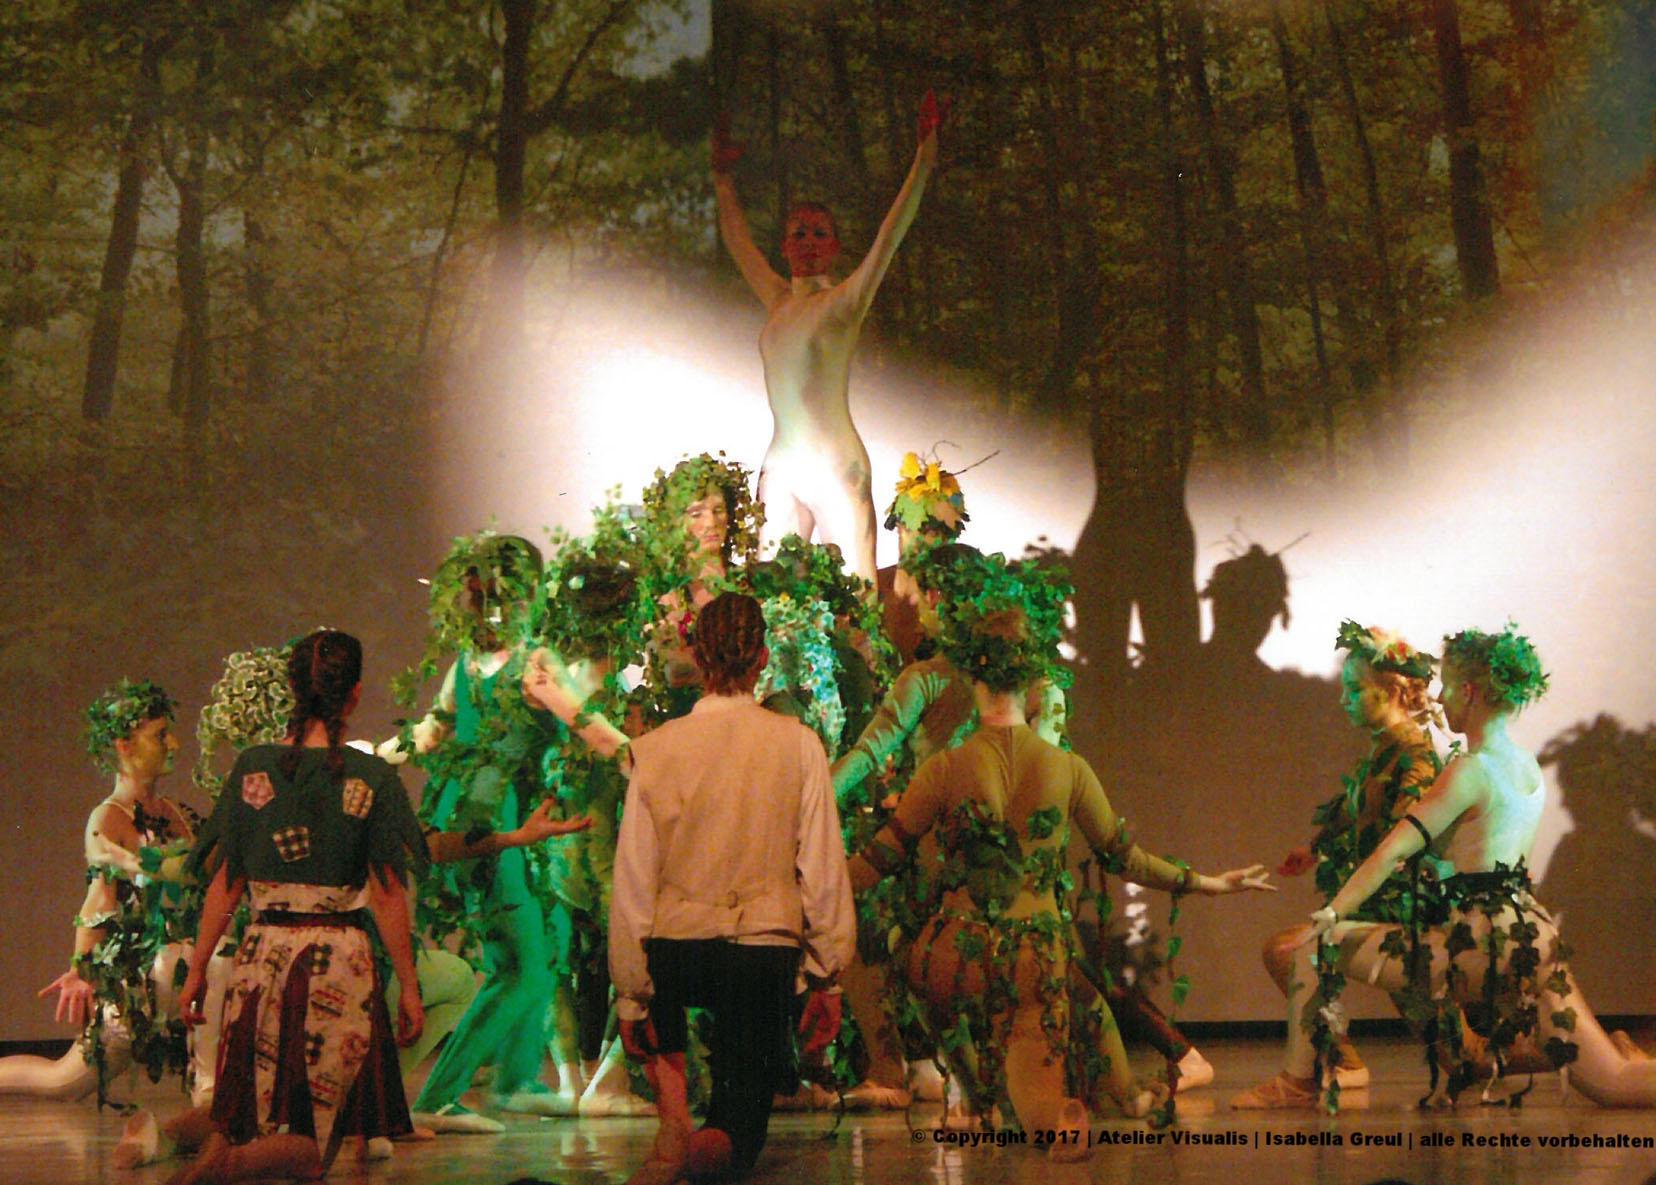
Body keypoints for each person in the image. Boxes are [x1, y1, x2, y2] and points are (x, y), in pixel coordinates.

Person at [848, 568, 1273, 1154]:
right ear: (1029, 678)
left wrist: (800, 885)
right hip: (1033, 958)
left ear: (970, 671)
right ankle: (1043, 1111)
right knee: (1045, 1090)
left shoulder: (944, 768)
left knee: (906, 958)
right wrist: (1209, 884)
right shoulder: (1067, 769)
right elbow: (1128, 860)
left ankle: (973, 1091)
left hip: (950, 956)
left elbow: (875, 862)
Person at [1233, 623, 1656, 1110]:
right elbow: (1485, 861)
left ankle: (1298, 1079)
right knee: (1616, 1080)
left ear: (1470, 691)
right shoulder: (1525, 766)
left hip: (1480, 943)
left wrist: (1331, 914)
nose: (1440, 696)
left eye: (1449, 685)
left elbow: (1394, 850)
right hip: (1533, 941)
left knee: (1313, 947)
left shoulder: (1469, 770)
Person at [156, 630, 428, 1183]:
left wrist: (198, 972)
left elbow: (226, 884)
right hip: (337, 965)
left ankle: (207, 1148)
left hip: (261, 960)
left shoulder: (254, 767)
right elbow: (386, 893)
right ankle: (231, 1164)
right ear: (353, 695)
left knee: (254, 1109)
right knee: (317, 1139)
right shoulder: (371, 777)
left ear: (291, 689)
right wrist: (410, 985)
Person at [608, 591, 855, 1184]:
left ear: (695, 654)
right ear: (763, 656)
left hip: (676, 947)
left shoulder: (655, 750)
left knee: (661, 1009)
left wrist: (630, 995)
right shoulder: (796, 743)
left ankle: (673, 1125)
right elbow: (821, 870)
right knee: (738, 1127)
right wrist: (829, 977)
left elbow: (634, 883)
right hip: (761, 952)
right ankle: (710, 1142)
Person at [713, 93, 942, 583]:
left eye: (819, 234)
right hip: (782, 465)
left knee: (858, 594)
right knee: (769, 592)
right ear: (785, 244)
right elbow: (737, 241)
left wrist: (925, 157)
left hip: (837, 465)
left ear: (835, 245)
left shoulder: (842, 302)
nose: (808, 242)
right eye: (799, 233)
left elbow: (890, 234)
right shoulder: (778, 300)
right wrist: (722, 180)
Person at [3, 680, 210, 1105]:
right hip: (145, 976)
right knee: (64, 1080)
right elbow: (99, 898)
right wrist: (81, 969)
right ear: (124, 746)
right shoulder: (109, 817)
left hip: (188, 962)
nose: (173, 743)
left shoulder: (177, 813)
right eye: (159, 735)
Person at [1262, 622, 1440, 1093]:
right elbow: (1357, 808)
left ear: (1392, 691)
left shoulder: (1415, 755)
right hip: (1377, 906)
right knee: (1286, 949)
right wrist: (1315, 846)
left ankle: (1593, 1058)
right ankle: (1342, 1060)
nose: (1344, 699)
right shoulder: (1384, 749)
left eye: (1354, 689)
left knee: (1461, 1051)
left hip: (1401, 912)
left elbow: (1408, 835)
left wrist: (1359, 896)